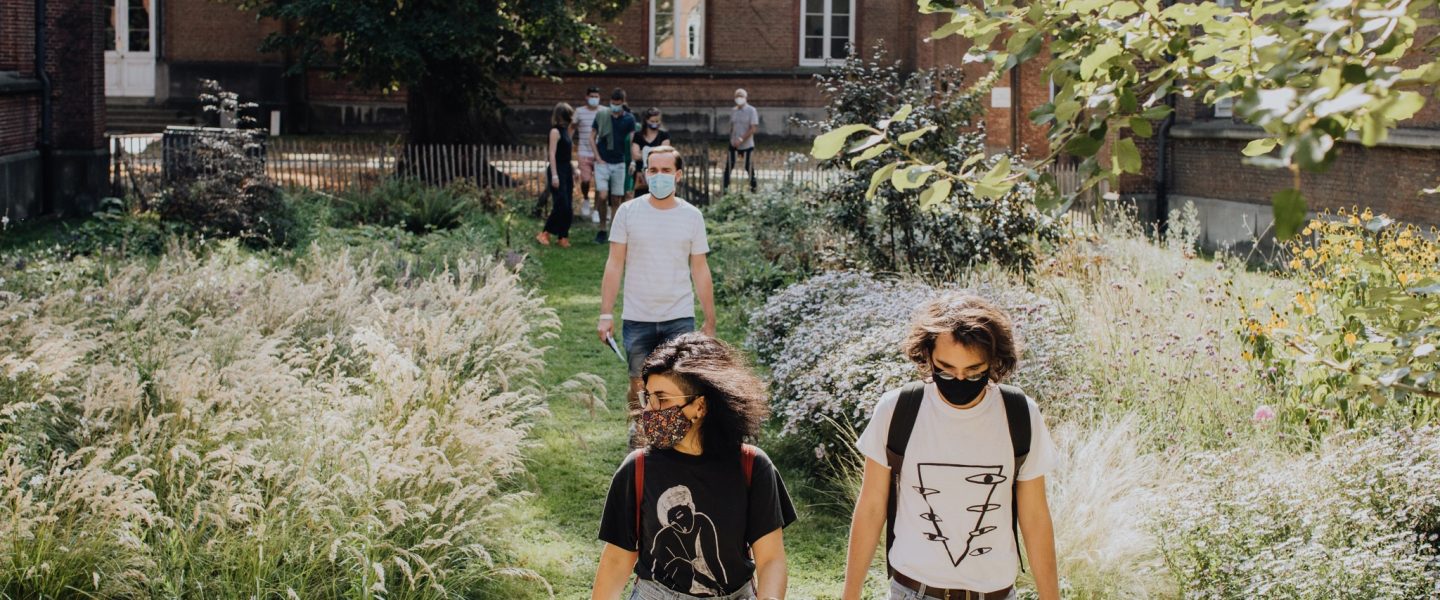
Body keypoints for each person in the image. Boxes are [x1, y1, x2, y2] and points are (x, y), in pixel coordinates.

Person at [842, 294, 1060, 600]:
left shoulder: (1021, 415)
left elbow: (1035, 517)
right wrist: (850, 594)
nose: (958, 379)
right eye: (945, 369)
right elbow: (871, 507)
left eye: (974, 371)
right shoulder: (897, 410)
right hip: (913, 591)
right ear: (927, 354)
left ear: (994, 361)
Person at [591, 333, 796, 600]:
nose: (650, 410)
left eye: (662, 399)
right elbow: (617, 560)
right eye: (648, 397)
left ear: (700, 406)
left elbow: (770, 559)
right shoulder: (638, 468)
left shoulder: (753, 466)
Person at [597, 146, 717, 439]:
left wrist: (710, 320)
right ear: (645, 174)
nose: (659, 176)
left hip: (679, 315)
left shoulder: (692, 216)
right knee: (639, 384)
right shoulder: (628, 213)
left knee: (677, 383)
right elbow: (614, 264)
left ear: (678, 175)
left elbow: (700, 268)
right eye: (653, 170)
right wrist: (605, 313)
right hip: (638, 315)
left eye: (666, 170)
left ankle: (672, 439)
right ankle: (640, 433)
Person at [592, 88, 638, 243]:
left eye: (617, 104)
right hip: (603, 161)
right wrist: (597, 157)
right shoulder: (602, 115)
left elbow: (632, 141)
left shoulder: (629, 119)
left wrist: (632, 161)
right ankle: (601, 228)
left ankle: (613, 230)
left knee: (617, 198)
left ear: (623, 103)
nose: (615, 106)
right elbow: (592, 137)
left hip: (619, 162)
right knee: (603, 196)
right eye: (612, 103)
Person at [537, 102, 575, 248]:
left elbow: (567, 154)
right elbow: (552, 154)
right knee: (561, 204)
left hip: (566, 169)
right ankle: (545, 232)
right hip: (557, 169)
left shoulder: (566, 131)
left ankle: (563, 236)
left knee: (568, 205)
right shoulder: (555, 132)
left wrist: (573, 169)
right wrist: (554, 175)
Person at [574, 86, 604, 220]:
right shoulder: (579, 112)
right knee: (585, 180)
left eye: (596, 96)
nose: (594, 99)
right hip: (584, 152)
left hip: (600, 153)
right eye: (591, 96)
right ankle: (586, 199)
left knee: (599, 183)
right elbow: (571, 128)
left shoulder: (604, 111)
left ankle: (596, 209)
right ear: (586, 97)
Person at [723, 89, 759, 194]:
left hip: (747, 144)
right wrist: (732, 139)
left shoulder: (751, 110)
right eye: (737, 96)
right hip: (734, 143)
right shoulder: (733, 111)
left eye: (741, 96)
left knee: (749, 167)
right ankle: (725, 189)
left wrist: (741, 139)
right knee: (729, 166)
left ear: (745, 98)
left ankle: (753, 189)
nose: (739, 98)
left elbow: (753, 128)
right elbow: (732, 126)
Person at [632, 108, 672, 197]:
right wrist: (656, 152)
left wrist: (644, 152)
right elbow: (635, 155)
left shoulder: (664, 135)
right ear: (646, 121)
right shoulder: (638, 135)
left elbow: (665, 153)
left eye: (657, 121)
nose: (655, 123)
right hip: (641, 175)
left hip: (659, 174)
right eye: (652, 121)